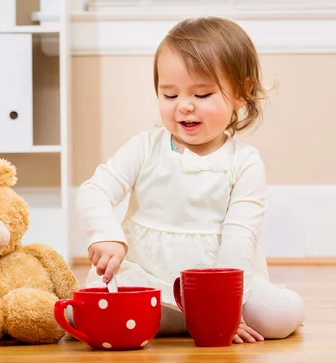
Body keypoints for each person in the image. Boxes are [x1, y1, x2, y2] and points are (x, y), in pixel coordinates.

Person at [75, 16, 305, 344]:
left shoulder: (245, 162)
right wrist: (105, 235)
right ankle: (182, 319)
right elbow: (94, 190)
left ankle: (198, 319)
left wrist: (226, 308)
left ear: (242, 92)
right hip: (150, 279)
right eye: (169, 95)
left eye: (202, 94)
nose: (184, 106)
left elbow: (240, 236)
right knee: (83, 310)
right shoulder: (144, 147)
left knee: (280, 316)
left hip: (225, 286)